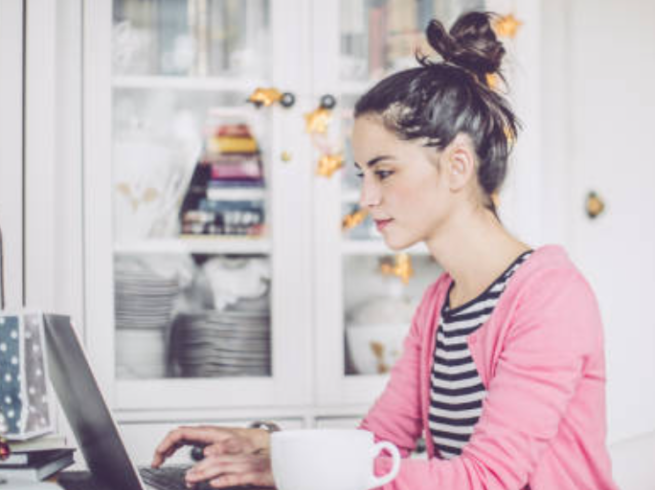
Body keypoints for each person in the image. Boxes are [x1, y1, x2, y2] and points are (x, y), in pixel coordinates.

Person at [151, 11, 617, 490]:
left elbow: (487, 479)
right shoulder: (441, 302)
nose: (367, 198)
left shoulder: (550, 297)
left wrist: (295, 470)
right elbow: (380, 446)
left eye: (385, 171)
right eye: (362, 175)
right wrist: (271, 445)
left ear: (457, 165)